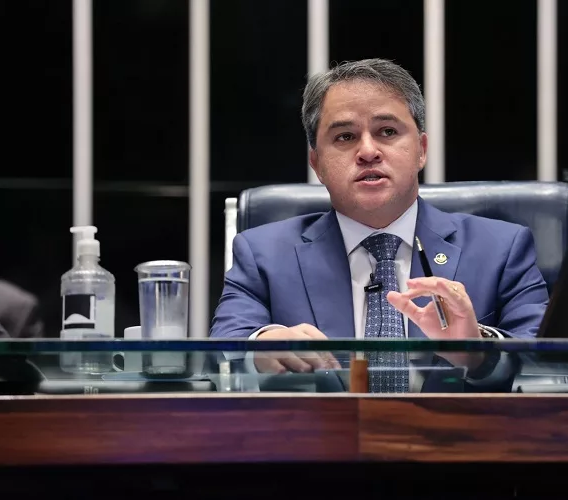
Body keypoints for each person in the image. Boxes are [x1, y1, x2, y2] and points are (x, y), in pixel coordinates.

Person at [210, 58, 549, 392]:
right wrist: (262, 345)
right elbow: (222, 349)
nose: (368, 151)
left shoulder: (501, 248)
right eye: (345, 136)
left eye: (387, 131)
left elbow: (548, 360)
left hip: (458, 428)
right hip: (317, 428)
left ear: (421, 149)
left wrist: (479, 351)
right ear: (317, 163)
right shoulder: (263, 254)